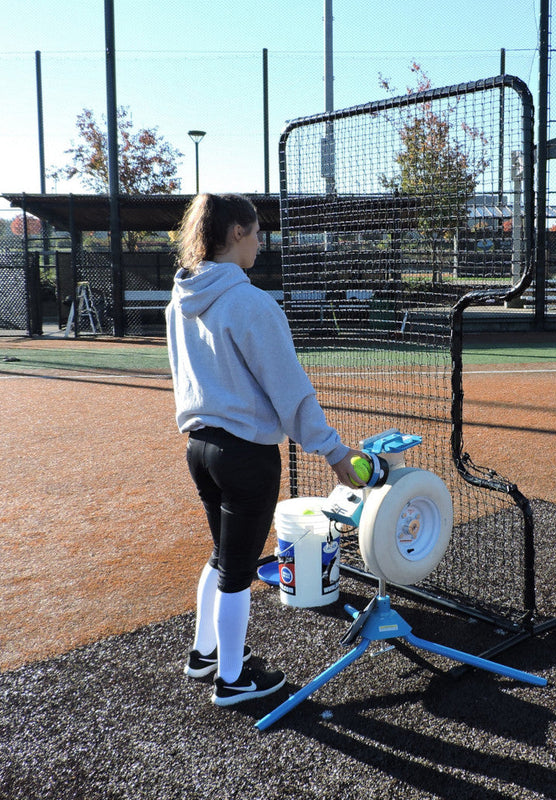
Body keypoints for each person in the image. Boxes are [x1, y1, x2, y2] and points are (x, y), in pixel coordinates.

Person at [166, 193, 364, 707]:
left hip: (200, 447)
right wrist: (334, 452)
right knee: (238, 567)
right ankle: (232, 679)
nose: (261, 243)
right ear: (235, 232)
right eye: (257, 233)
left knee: (223, 555)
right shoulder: (250, 302)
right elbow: (290, 388)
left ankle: (204, 653)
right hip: (246, 455)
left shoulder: (180, 297)